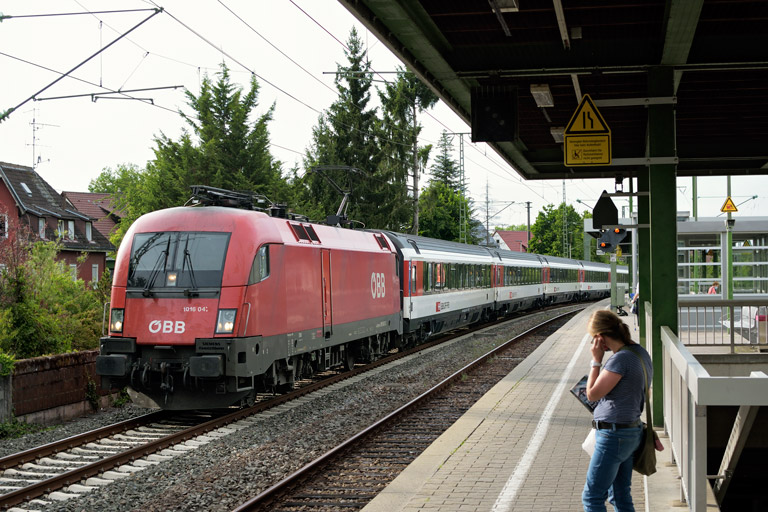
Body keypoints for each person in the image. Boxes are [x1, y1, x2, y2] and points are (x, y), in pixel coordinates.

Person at [582, 309, 653, 512]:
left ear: (600, 338)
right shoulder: (640, 352)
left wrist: (596, 361)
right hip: (630, 431)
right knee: (620, 495)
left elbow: (593, 394)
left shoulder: (620, 360)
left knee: (592, 497)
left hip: (614, 435)